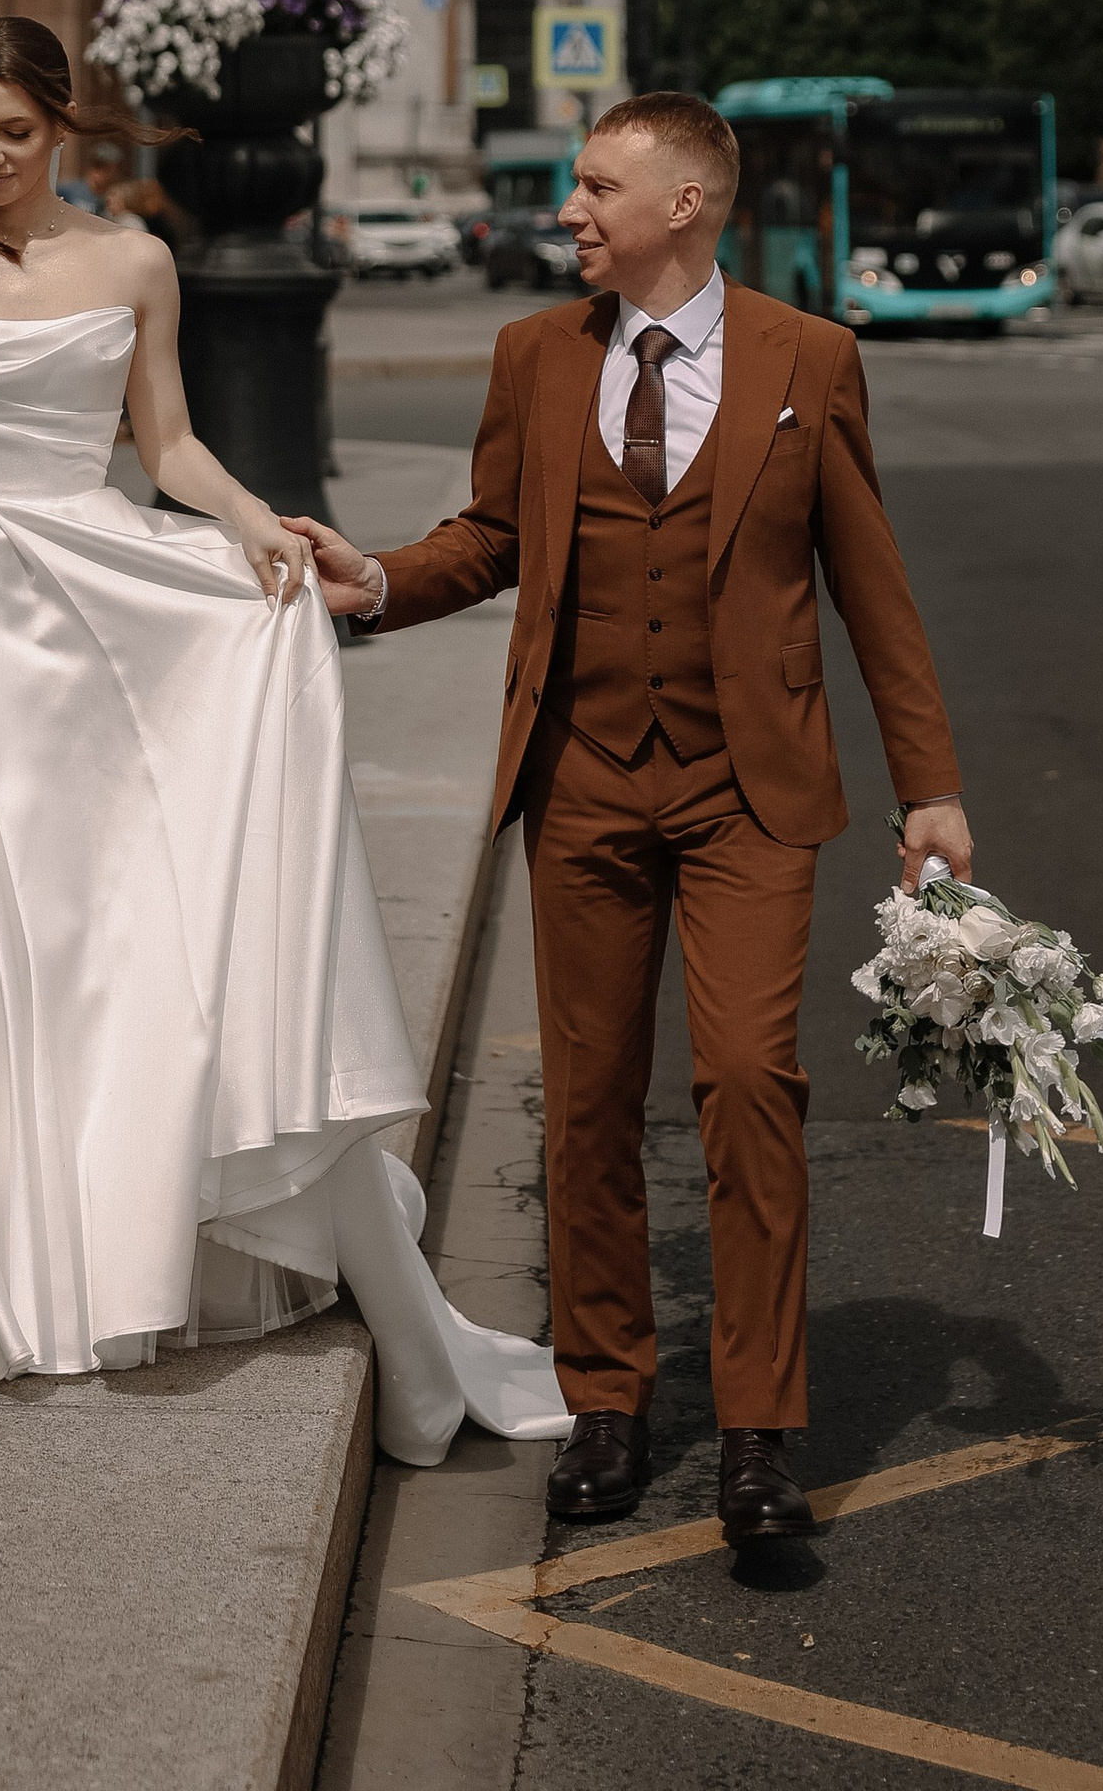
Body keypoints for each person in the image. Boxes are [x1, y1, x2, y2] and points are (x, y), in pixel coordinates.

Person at [0, 14, 568, 1453]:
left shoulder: (133, 262)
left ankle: (78, 1192)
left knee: (75, 926)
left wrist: (264, 533)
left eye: (13, 130)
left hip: (82, 607)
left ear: (60, 125)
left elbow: (167, 441)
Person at [286, 90, 972, 1545]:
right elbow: (492, 537)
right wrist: (380, 583)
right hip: (584, 780)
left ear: (686, 206)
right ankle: (607, 1398)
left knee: (746, 1084)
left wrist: (933, 786)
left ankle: (760, 1434)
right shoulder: (536, 356)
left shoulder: (812, 360)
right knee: (588, 1103)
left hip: (747, 790)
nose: (572, 210)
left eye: (599, 187)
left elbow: (873, 584)